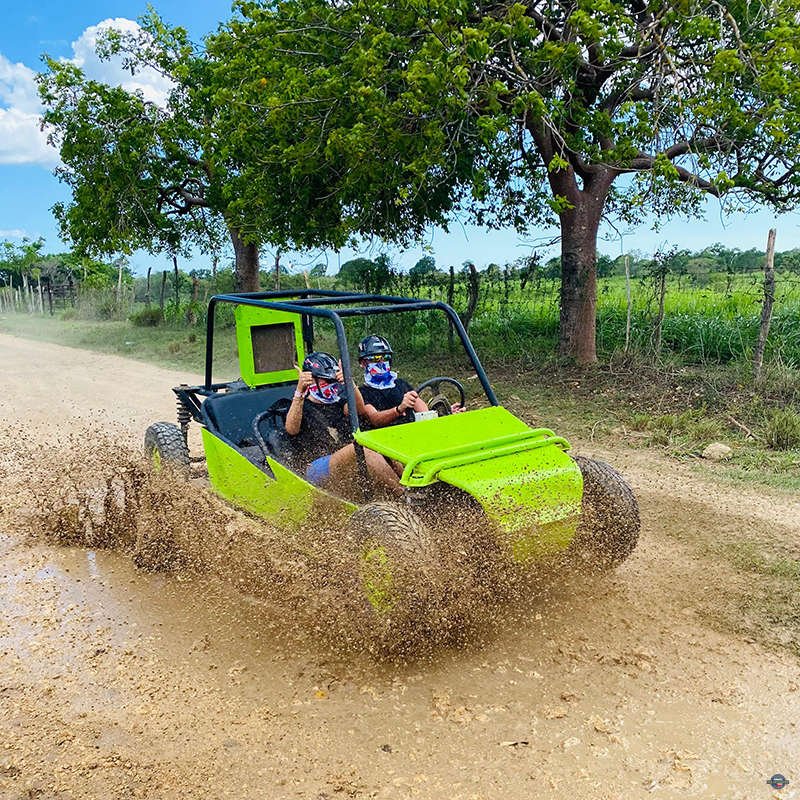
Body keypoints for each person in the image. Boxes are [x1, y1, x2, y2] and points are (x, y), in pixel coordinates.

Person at [285, 351, 402, 497]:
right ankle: (402, 494)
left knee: (379, 443)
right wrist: (299, 393)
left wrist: (349, 382)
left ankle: (412, 486)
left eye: (334, 381)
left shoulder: (339, 403)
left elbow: (359, 410)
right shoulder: (300, 405)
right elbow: (291, 429)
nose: (332, 385)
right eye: (327, 381)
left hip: (343, 458)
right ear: (311, 380)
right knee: (359, 449)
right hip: (315, 468)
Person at [357, 335, 464, 428]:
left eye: (385, 357)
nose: (381, 362)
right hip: (381, 440)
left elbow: (424, 413)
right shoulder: (362, 393)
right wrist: (399, 410)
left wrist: (445, 414)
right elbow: (374, 419)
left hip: (412, 434)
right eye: (375, 358)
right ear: (363, 363)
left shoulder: (401, 384)